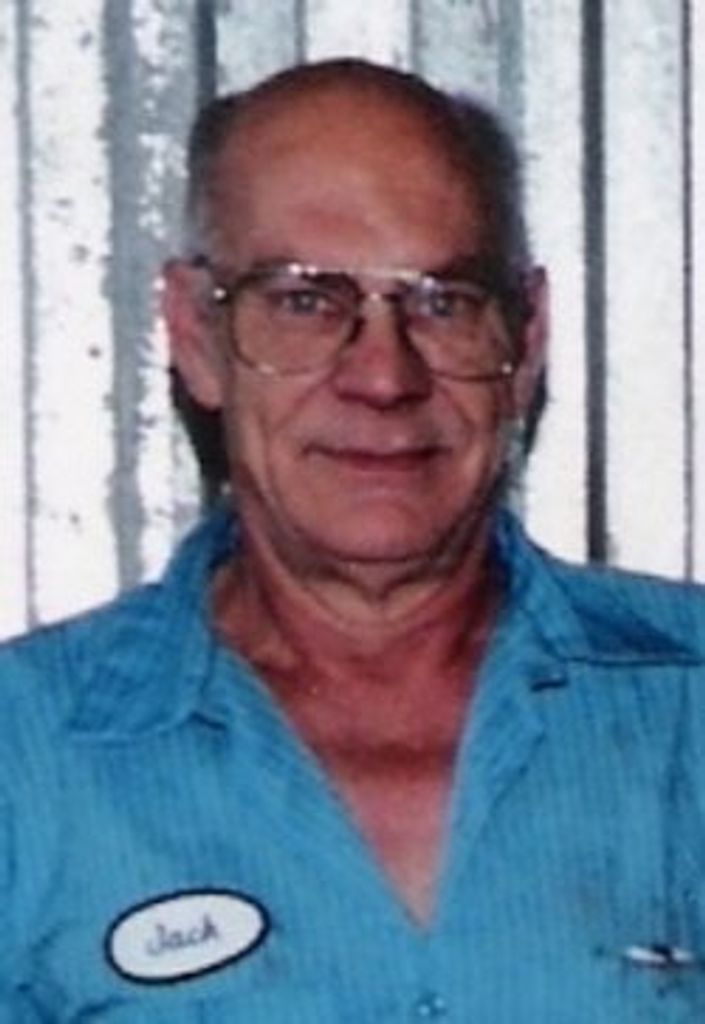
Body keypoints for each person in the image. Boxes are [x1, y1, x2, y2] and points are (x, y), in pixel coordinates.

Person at [2, 58, 705, 1022]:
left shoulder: (684, 711)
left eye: (443, 302)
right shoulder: (25, 760)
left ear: (526, 340)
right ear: (197, 337)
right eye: (304, 300)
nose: (383, 377)